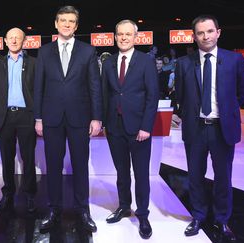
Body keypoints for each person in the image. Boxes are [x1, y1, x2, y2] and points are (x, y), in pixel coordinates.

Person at [175, 15, 244, 242]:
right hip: (195, 128)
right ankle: (198, 215)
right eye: (200, 33)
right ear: (194, 36)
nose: (205, 36)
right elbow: (180, 96)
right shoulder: (183, 64)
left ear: (218, 32)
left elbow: (241, 94)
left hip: (221, 129)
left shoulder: (234, 60)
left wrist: (226, 112)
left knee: (223, 177)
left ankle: (222, 219)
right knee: (195, 176)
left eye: (209, 31)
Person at [34, 5, 102, 233]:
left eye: (71, 21)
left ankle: (83, 211)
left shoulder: (88, 51)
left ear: (76, 25)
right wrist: (38, 117)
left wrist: (96, 117)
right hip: (51, 118)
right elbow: (38, 88)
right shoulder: (44, 52)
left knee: (81, 165)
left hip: (79, 118)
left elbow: (94, 86)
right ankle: (54, 211)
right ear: (56, 23)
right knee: (53, 166)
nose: (66, 24)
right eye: (62, 20)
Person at [101, 19, 159, 239]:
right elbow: (106, 95)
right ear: (115, 37)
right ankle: (124, 206)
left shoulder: (146, 61)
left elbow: (152, 96)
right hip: (115, 128)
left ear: (136, 37)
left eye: (128, 34)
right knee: (122, 172)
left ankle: (143, 214)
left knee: (142, 174)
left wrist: (146, 127)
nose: (124, 38)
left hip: (139, 130)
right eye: (120, 34)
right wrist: (104, 123)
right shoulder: (108, 63)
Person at [0, 27, 37, 213]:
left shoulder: (34, 63)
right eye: (11, 38)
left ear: (24, 41)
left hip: (27, 115)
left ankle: (30, 194)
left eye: (18, 38)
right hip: (5, 116)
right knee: (7, 158)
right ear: (5, 41)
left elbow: (39, 91)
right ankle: (8, 193)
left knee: (28, 157)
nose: (14, 41)